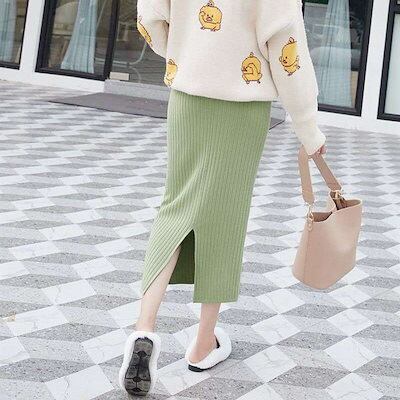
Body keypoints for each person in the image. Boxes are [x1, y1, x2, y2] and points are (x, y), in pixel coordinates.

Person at [119, 0, 327, 396]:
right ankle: (203, 343)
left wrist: (186, 50)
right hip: (242, 106)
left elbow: (150, 14)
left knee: (175, 207)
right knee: (224, 218)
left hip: (187, 96)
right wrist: (308, 128)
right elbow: (287, 49)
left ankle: (143, 330)